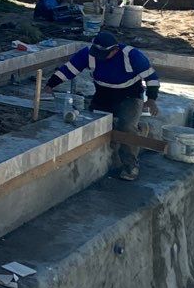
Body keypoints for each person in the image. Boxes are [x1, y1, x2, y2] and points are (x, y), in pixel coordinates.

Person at [45, 30, 161, 180]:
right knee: (98, 125)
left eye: (103, 55)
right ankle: (139, 129)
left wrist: (151, 99)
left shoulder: (132, 55)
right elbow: (69, 70)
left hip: (130, 96)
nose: (99, 58)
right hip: (103, 94)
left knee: (125, 129)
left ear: (115, 50)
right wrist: (50, 85)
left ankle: (130, 166)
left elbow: (151, 78)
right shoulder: (88, 54)